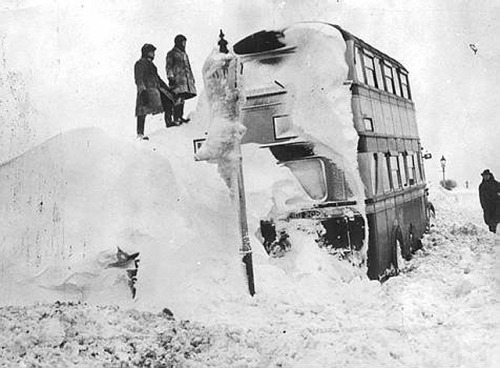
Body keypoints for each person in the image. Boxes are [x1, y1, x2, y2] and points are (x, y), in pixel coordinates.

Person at [134, 43, 174, 139]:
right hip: (146, 90)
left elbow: (158, 79)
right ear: (146, 52)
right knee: (142, 112)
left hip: (156, 90)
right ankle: (140, 134)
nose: (153, 54)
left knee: (168, 100)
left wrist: (167, 89)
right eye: (152, 52)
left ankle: (169, 122)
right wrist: (142, 90)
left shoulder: (152, 65)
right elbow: (138, 78)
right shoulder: (140, 63)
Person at [166, 34, 197, 124]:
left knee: (182, 98)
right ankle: (176, 117)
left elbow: (188, 67)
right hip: (177, 79)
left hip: (185, 80)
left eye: (185, 42)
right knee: (178, 98)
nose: (184, 44)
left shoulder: (184, 54)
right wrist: (170, 76)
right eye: (183, 42)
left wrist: (192, 78)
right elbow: (169, 66)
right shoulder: (172, 53)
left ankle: (180, 116)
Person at [479, 169, 500, 233]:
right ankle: (491, 232)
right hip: (487, 206)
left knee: (495, 220)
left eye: (487, 175)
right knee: (488, 220)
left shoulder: (496, 184)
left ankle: (493, 232)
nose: (485, 177)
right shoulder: (482, 186)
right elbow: (481, 197)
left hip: (496, 206)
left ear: (490, 175)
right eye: (484, 176)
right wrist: (483, 206)